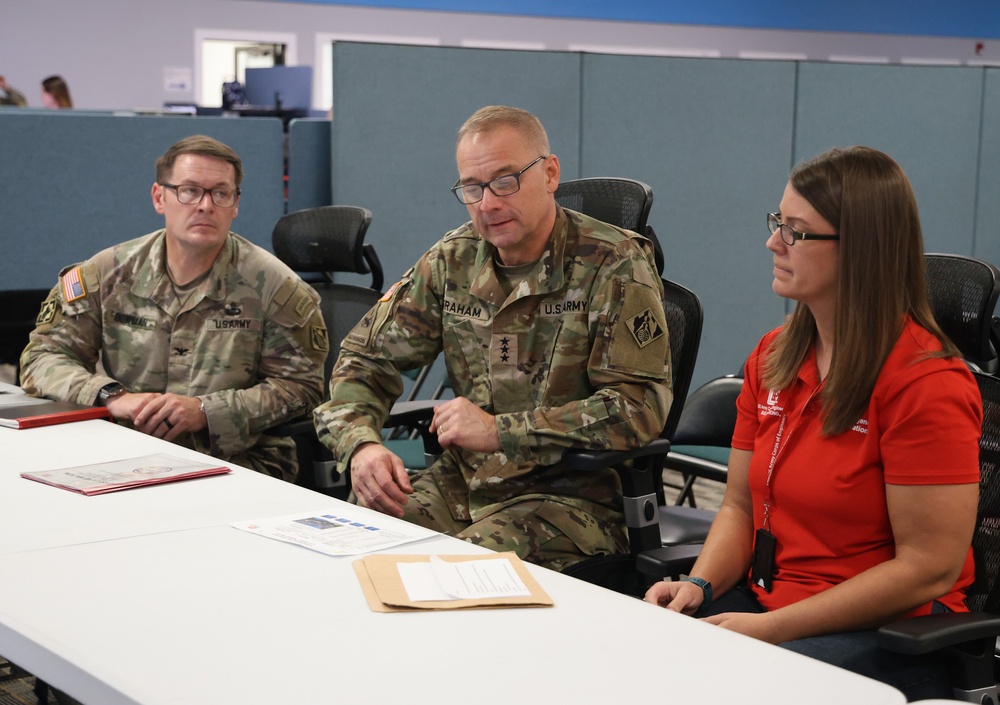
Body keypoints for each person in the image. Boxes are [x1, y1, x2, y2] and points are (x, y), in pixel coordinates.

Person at [644, 146, 982, 700]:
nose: (773, 243)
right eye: (778, 222)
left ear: (861, 251)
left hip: (887, 630)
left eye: (796, 232)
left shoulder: (926, 384)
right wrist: (700, 585)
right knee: (643, 658)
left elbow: (928, 569)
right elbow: (737, 507)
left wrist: (769, 631)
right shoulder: (774, 355)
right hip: (769, 604)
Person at [313, 105, 672, 570]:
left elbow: (639, 408)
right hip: (464, 482)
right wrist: (362, 445)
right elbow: (364, 360)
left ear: (549, 173)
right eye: (471, 188)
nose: (487, 203)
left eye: (505, 181)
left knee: (454, 574)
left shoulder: (614, 263)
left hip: (570, 498)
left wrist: (500, 431)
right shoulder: (454, 259)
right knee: (358, 549)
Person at [20, 134, 328, 483]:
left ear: (235, 204)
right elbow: (41, 358)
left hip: (238, 463)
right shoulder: (106, 273)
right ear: (159, 197)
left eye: (220, 193)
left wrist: (205, 412)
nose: (205, 205)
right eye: (189, 190)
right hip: (121, 448)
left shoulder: (276, 288)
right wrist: (111, 397)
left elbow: (302, 389)